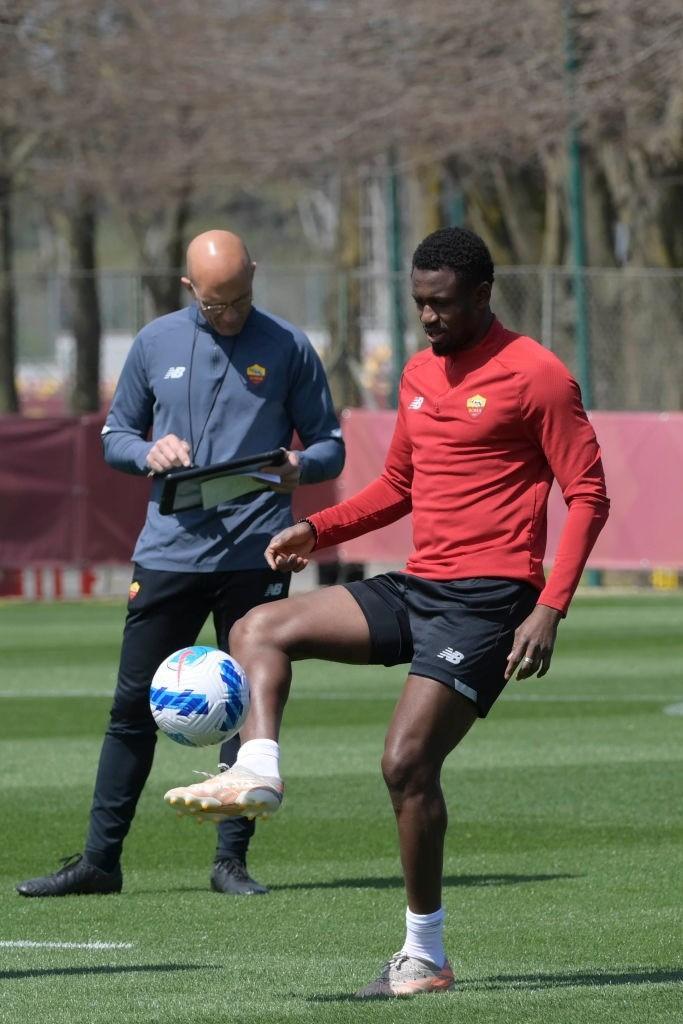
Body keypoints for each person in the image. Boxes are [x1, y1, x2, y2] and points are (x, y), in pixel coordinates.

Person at [162, 226, 610, 996]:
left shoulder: (535, 375)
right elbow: (399, 488)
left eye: (441, 305)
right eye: (418, 304)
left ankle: (424, 955)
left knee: (405, 763)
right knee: (258, 626)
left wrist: (548, 609)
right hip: (419, 587)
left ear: (480, 295)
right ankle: (258, 768)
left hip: (488, 603)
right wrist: (315, 527)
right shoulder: (414, 373)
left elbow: (590, 495)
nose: (429, 318)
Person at [16, 229, 345, 899]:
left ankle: (231, 863)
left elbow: (330, 445)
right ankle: (99, 861)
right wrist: (148, 453)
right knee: (130, 708)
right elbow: (115, 436)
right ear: (189, 289)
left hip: (255, 552)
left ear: (253, 273)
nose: (229, 315)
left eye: (240, 299)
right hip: (168, 553)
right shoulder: (155, 342)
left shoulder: (287, 347)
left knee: (244, 704)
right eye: (214, 305)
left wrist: (296, 467)